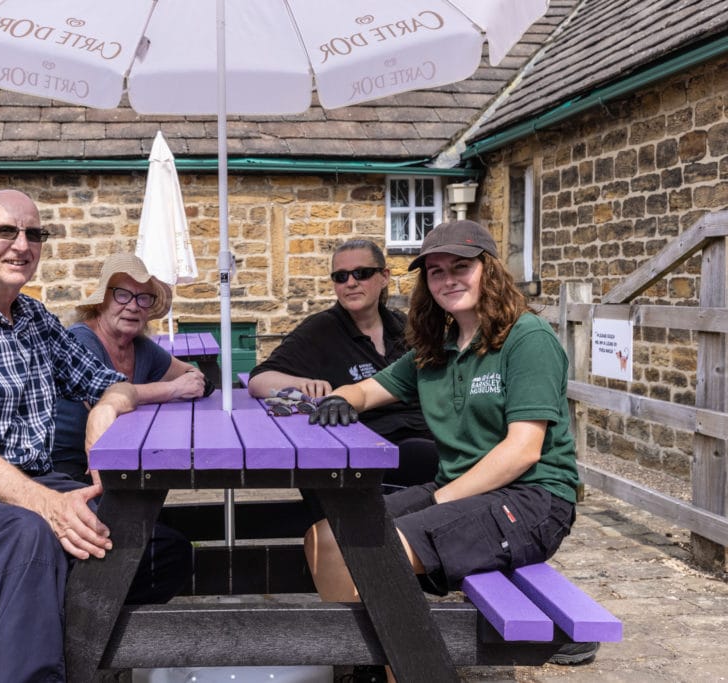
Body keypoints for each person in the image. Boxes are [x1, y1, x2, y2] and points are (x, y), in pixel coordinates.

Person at [0, 190, 191, 681]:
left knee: (161, 549)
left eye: (34, 234)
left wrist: (106, 408)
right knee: (28, 535)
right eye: (6, 231)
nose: (21, 245)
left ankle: (40, 607)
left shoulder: (34, 319)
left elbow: (106, 384)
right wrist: (52, 507)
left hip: (35, 480)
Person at [307, 221, 593, 675]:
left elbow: (523, 451)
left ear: (491, 271)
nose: (448, 279)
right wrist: (343, 398)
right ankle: (364, 660)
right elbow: (370, 389)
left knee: (377, 554)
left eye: (461, 266)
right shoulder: (435, 349)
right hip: (462, 489)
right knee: (326, 537)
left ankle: (404, 666)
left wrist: (439, 500)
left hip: (534, 500)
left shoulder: (527, 339)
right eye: (436, 272)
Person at [248, 239, 436, 488]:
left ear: (384, 277)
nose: (351, 282)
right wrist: (303, 383)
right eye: (340, 276)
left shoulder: (404, 326)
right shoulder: (321, 330)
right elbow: (258, 380)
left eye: (362, 273)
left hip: (425, 433)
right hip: (366, 447)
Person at [52, 252, 210, 484]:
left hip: (121, 457)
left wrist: (192, 382)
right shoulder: (80, 339)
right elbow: (104, 397)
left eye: (143, 298)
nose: (133, 306)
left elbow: (192, 374)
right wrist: (173, 390)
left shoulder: (140, 346)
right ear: (101, 301)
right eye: (122, 295)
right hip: (66, 467)